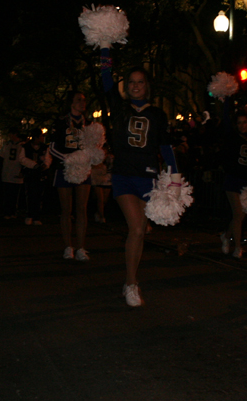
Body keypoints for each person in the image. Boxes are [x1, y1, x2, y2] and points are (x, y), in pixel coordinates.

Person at [100, 46, 178, 306]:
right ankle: (132, 283)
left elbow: (165, 147)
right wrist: (104, 46)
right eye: (131, 82)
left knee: (141, 231)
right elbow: (106, 79)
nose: (135, 86)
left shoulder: (158, 114)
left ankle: (130, 280)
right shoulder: (119, 108)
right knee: (135, 228)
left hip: (148, 177)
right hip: (123, 175)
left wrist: (175, 176)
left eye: (140, 82)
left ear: (147, 86)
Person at [49, 91, 92, 261]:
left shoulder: (89, 124)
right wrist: (68, 159)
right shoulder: (60, 122)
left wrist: (91, 157)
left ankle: (81, 248)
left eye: (84, 100)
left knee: (82, 209)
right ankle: (68, 246)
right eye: (79, 100)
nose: (83, 103)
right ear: (71, 103)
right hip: (64, 169)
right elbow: (52, 148)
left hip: (83, 170)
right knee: (66, 209)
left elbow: (94, 148)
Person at [219, 105, 247, 259]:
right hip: (232, 179)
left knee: (240, 216)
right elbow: (225, 121)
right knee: (238, 213)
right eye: (239, 123)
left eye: (244, 122)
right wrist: (225, 101)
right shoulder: (232, 136)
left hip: (246, 181)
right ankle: (238, 247)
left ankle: (226, 235)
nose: (242, 125)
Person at [19, 129, 49, 226]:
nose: (42, 138)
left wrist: (45, 165)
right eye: (41, 136)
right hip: (30, 173)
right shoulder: (25, 147)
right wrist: (33, 165)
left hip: (41, 174)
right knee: (30, 195)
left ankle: (36, 216)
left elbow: (48, 158)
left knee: (39, 195)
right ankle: (29, 215)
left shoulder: (45, 147)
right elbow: (22, 159)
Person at [0, 131, 24, 219]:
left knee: (14, 194)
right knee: (8, 194)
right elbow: (1, 157)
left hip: (16, 172)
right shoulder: (7, 145)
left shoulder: (22, 146)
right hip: (7, 172)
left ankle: (13, 211)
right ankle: (7, 212)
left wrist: (22, 171)